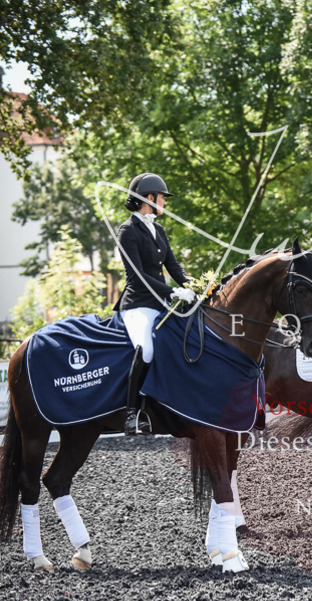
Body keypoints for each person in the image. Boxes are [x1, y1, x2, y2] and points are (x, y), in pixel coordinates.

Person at [116, 173, 193, 435]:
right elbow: (137, 276)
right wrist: (171, 292)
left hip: (161, 303)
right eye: (163, 197)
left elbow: (173, 265)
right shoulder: (127, 231)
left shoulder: (158, 229)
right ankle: (131, 412)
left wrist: (192, 286)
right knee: (146, 350)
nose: (165, 202)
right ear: (149, 198)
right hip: (138, 305)